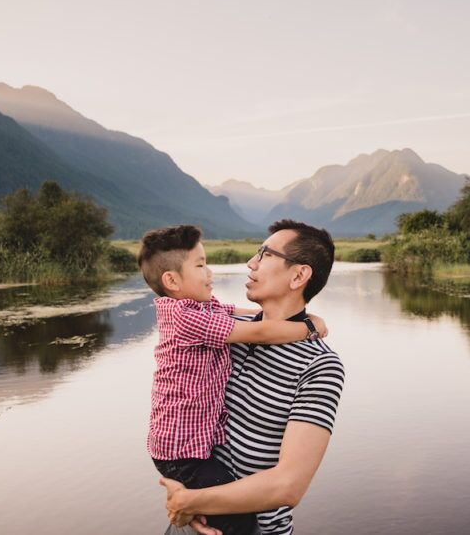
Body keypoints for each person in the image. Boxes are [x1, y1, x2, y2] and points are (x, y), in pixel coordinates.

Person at [139, 225, 328, 535]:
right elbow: (259, 331)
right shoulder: (226, 331)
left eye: (265, 255)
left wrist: (192, 502)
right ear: (172, 280)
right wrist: (310, 326)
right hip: (191, 505)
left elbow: (288, 488)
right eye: (200, 265)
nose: (250, 263)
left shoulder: (318, 365)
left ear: (298, 276)